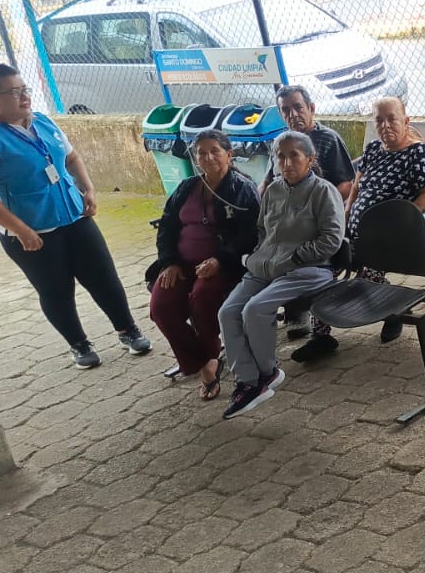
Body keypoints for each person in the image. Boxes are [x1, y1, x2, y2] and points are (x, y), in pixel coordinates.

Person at [0, 63, 151, 369]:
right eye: (14, 92)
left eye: (25, 89)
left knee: (103, 277)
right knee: (56, 290)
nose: (24, 96)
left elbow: (72, 158)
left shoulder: (44, 122)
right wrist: (21, 230)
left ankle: (128, 330)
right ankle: (79, 344)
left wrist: (88, 189)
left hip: (74, 216)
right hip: (32, 231)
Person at [292, 97, 425, 362]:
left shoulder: (419, 153)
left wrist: (400, 220)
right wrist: (346, 214)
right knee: (323, 271)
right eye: (379, 120)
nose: (385, 125)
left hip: (388, 237)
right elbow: (356, 186)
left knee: (364, 278)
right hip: (354, 232)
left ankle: (391, 311)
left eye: (392, 119)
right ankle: (321, 337)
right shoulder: (373, 149)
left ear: (406, 121)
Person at [217, 132, 344, 419]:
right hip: (266, 267)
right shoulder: (273, 190)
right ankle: (246, 381)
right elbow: (263, 230)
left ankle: (267, 373)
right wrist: (260, 256)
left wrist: (295, 256)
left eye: (294, 156)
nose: (286, 163)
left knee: (255, 309)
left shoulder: (323, 191)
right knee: (227, 312)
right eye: (280, 156)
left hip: (308, 269)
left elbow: (332, 240)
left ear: (310, 159)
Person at [146, 130, 261, 400]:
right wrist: (169, 262)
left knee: (202, 298)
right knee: (161, 306)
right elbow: (167, 228)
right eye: (201, 152)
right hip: (181, 264)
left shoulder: (241, 189)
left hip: (222, 264)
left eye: (214, 151)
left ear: (229, 155)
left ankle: (210, 362)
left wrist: (221, 259)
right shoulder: (186, 188)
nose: (207, 157)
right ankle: (203, 359)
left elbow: (250, 234)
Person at [265, 85, 356, 340]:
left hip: (315, 216)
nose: (293, 114)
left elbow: (346, 185)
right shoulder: (281, 143)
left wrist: (316, 205)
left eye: (298, 107)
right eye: (286, 110)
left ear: (311, 109)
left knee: (294, 247)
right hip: (282, 215)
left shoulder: (327, 139)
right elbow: (268, 181)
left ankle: (300, 311)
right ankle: (273, 308)